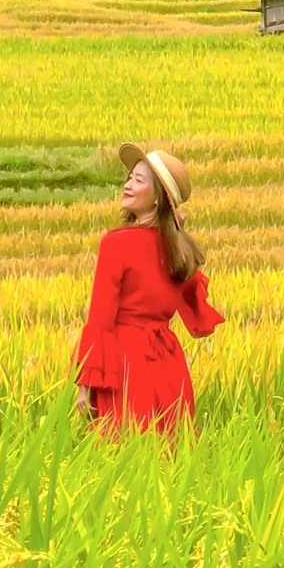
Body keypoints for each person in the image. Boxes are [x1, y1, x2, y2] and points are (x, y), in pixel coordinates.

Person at [74, 143, 223, 435]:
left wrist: (85, 384)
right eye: (130, 178)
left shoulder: (115, 244)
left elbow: (100, 318)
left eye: (139, 180)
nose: (128, 185)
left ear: (157, 198)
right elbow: (199, 316)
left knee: (122, 450)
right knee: (172, 452)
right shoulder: (180, 250)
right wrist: (178, 231)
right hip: (169, 366)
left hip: (124, 365)